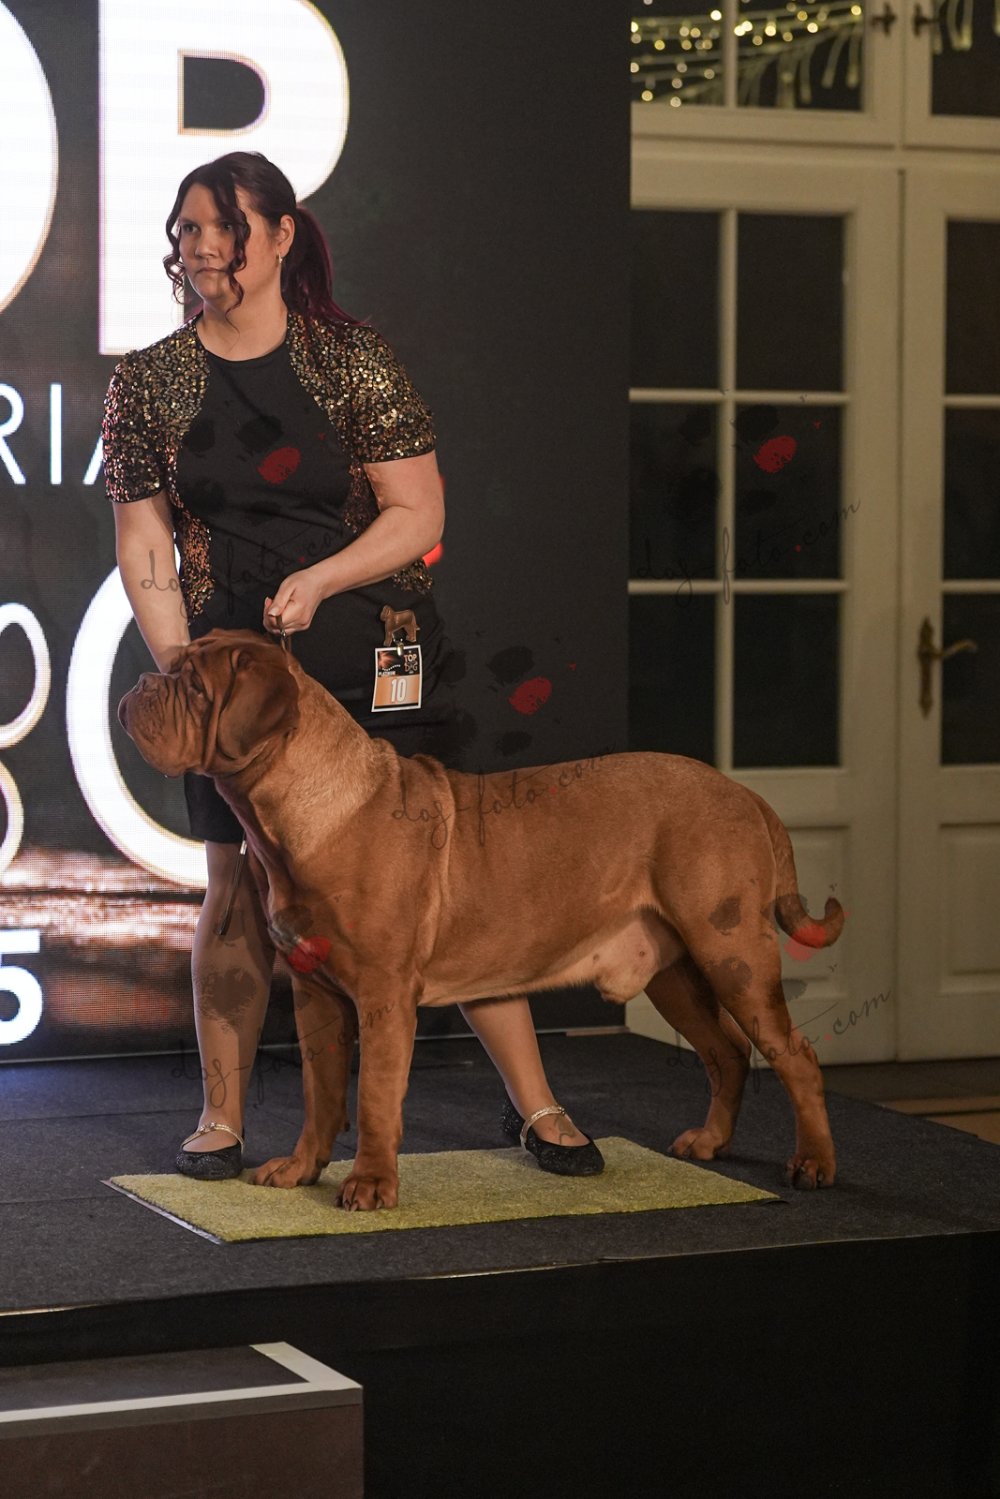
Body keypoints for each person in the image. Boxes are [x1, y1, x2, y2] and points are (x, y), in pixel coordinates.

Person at [103, 151, 603, 1183]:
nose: (201, 246)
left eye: (223, 225)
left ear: (281, 234)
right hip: (237, 681)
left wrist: (323, 579)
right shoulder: (148, 379)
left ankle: (537, 1103)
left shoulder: (350, 359)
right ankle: (221, 1116)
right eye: (187, 227)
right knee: (233, 883)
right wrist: (185, 677)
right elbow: (145, 542)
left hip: (371, 653)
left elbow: (419, 512)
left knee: (444, 886)